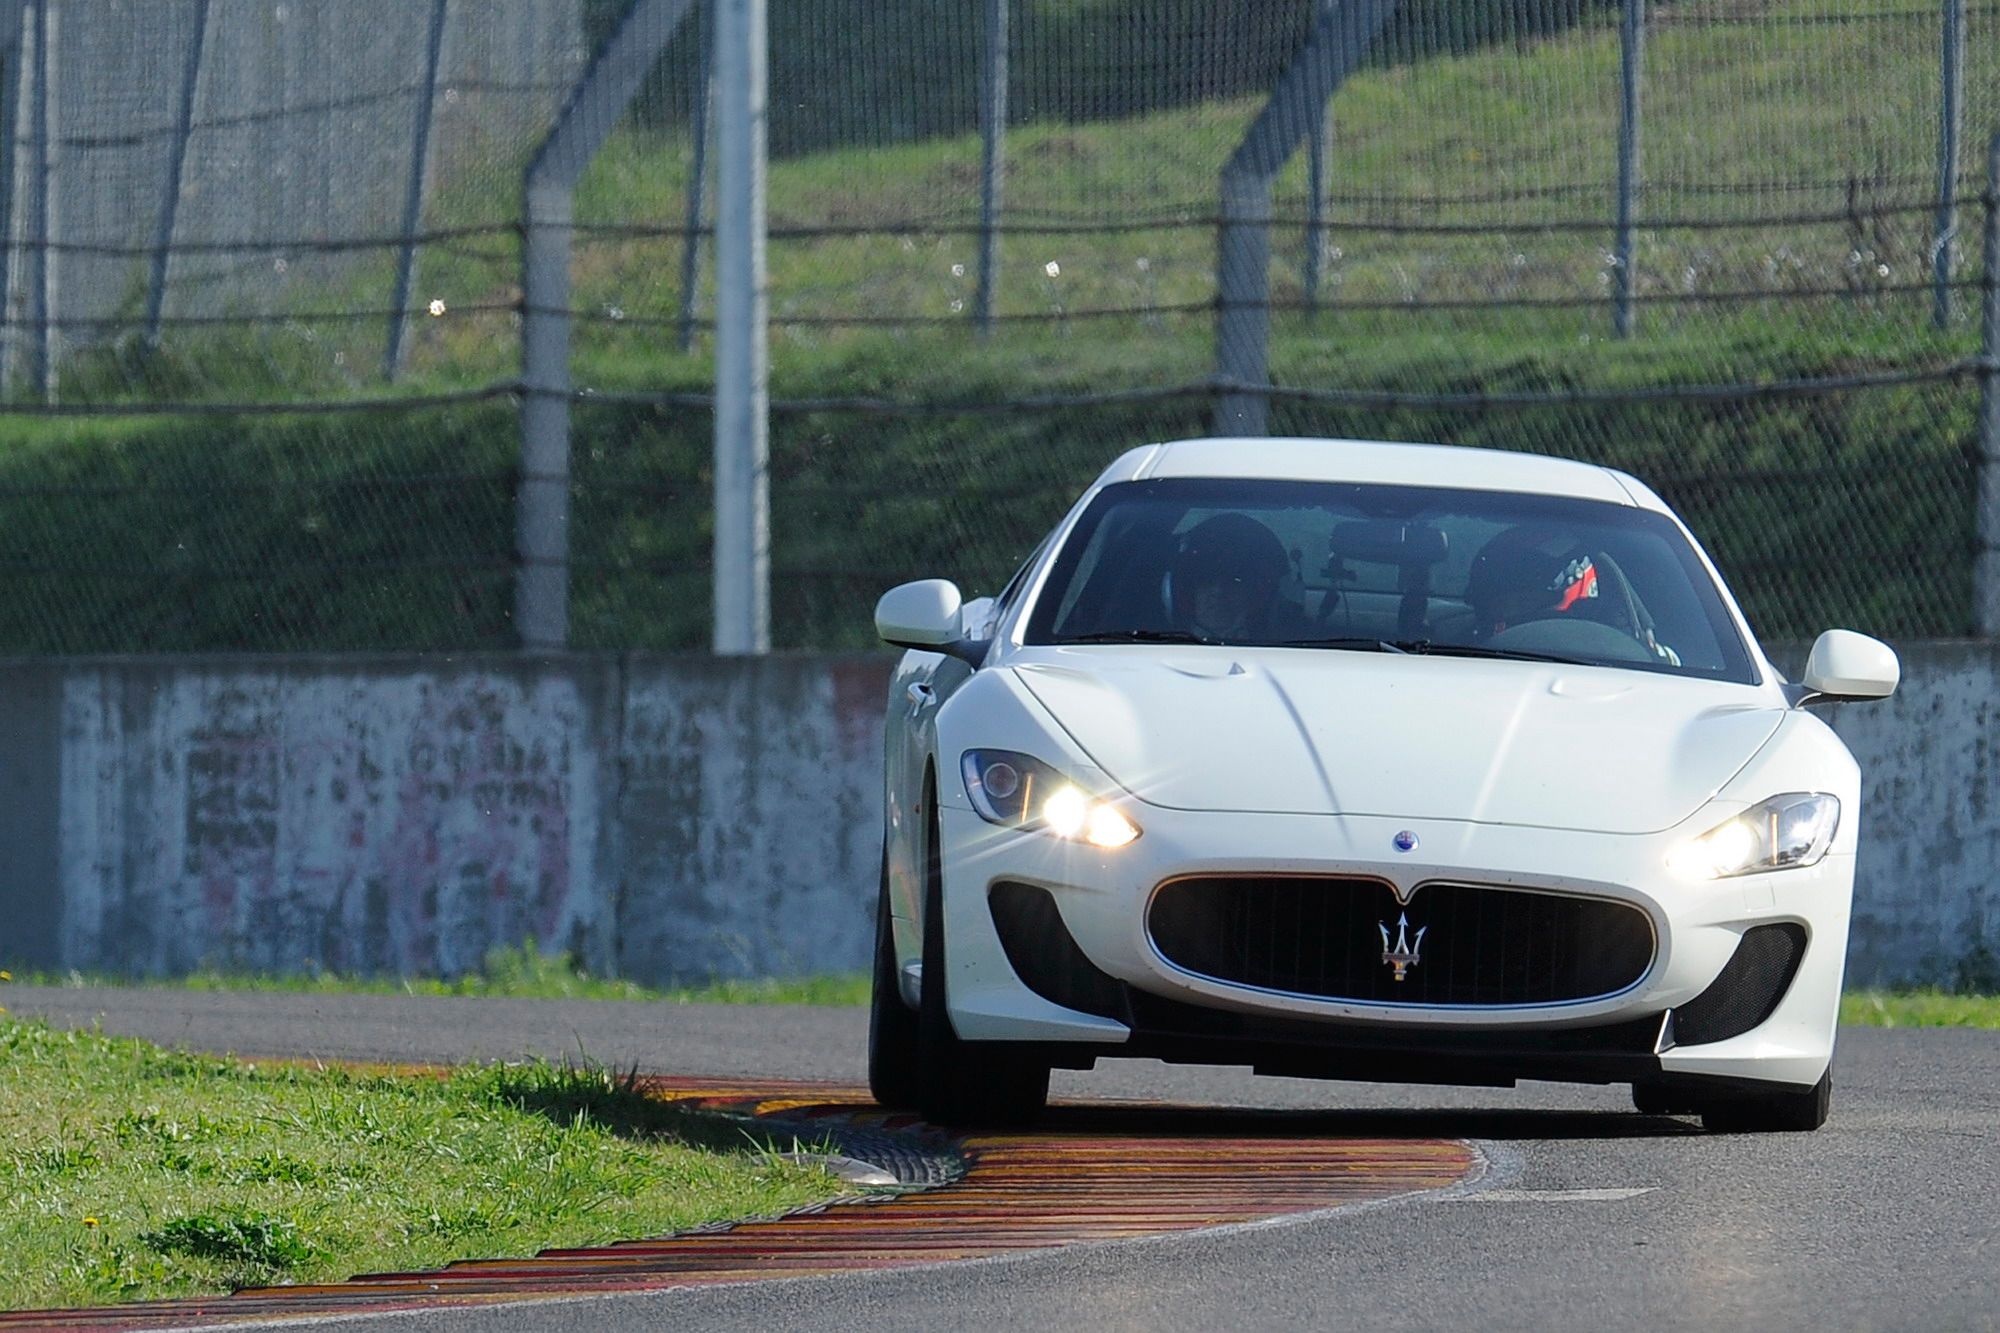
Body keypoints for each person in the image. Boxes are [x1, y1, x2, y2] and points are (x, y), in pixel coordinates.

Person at [1168, 512, 1291, 641]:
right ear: (1186, 592)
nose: (1218, 591)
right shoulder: (1158, 643)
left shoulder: (1296, 643)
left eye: (1234, 581)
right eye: (1206, 581)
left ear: (1257, 594)